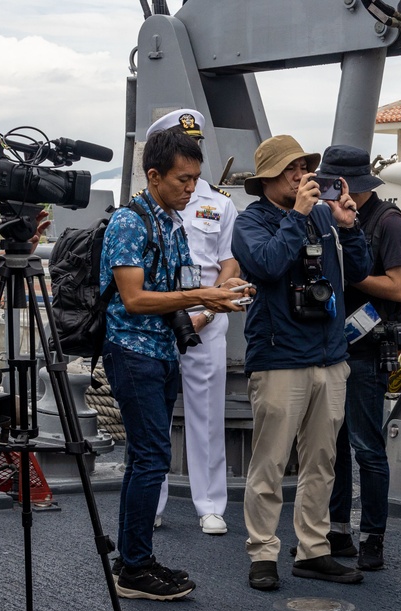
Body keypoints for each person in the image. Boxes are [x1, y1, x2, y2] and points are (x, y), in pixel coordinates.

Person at [100, 129, 251, 601]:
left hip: (162, 351)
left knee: (142, 459)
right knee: (151, 458)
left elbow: (181, 289)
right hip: (134, 351)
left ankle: (132, 559)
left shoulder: (170, 221)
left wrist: (219, 299)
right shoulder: (130, 223)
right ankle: (136, 567)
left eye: (195, 179)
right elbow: (134, 298)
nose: (192, 188)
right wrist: (203, 295)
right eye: (183, 180)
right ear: (153, 176)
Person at [233, 135, 371, 592]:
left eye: (304, 167)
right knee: (270, 462)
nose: (301, 176)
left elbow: (360, 270)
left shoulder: (321, 216)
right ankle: (262, 551)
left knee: (323, 461)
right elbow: (268, 266)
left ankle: (313, 550)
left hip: (329, 356)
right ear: (267, 179)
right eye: (291, 170)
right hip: (279, 358)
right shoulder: (250, 222)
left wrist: (349, 226)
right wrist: (296, 217)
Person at [317, 145, 401, 571]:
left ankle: (373, 535)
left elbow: (400, 289)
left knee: (366, 446)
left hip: (367, 347)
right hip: (333, 345)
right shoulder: (328, 215)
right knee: (333, 446)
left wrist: (353, 273)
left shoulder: (388, 223)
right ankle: (337, 529)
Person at [147, 109, 240, 536]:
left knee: (206, 414)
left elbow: (229, 262)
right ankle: (153, 501)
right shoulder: (145, 207)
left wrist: (205, 311)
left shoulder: (219, 204)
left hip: (207, 319)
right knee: (153, 415)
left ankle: (210, 504)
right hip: (158, 319)